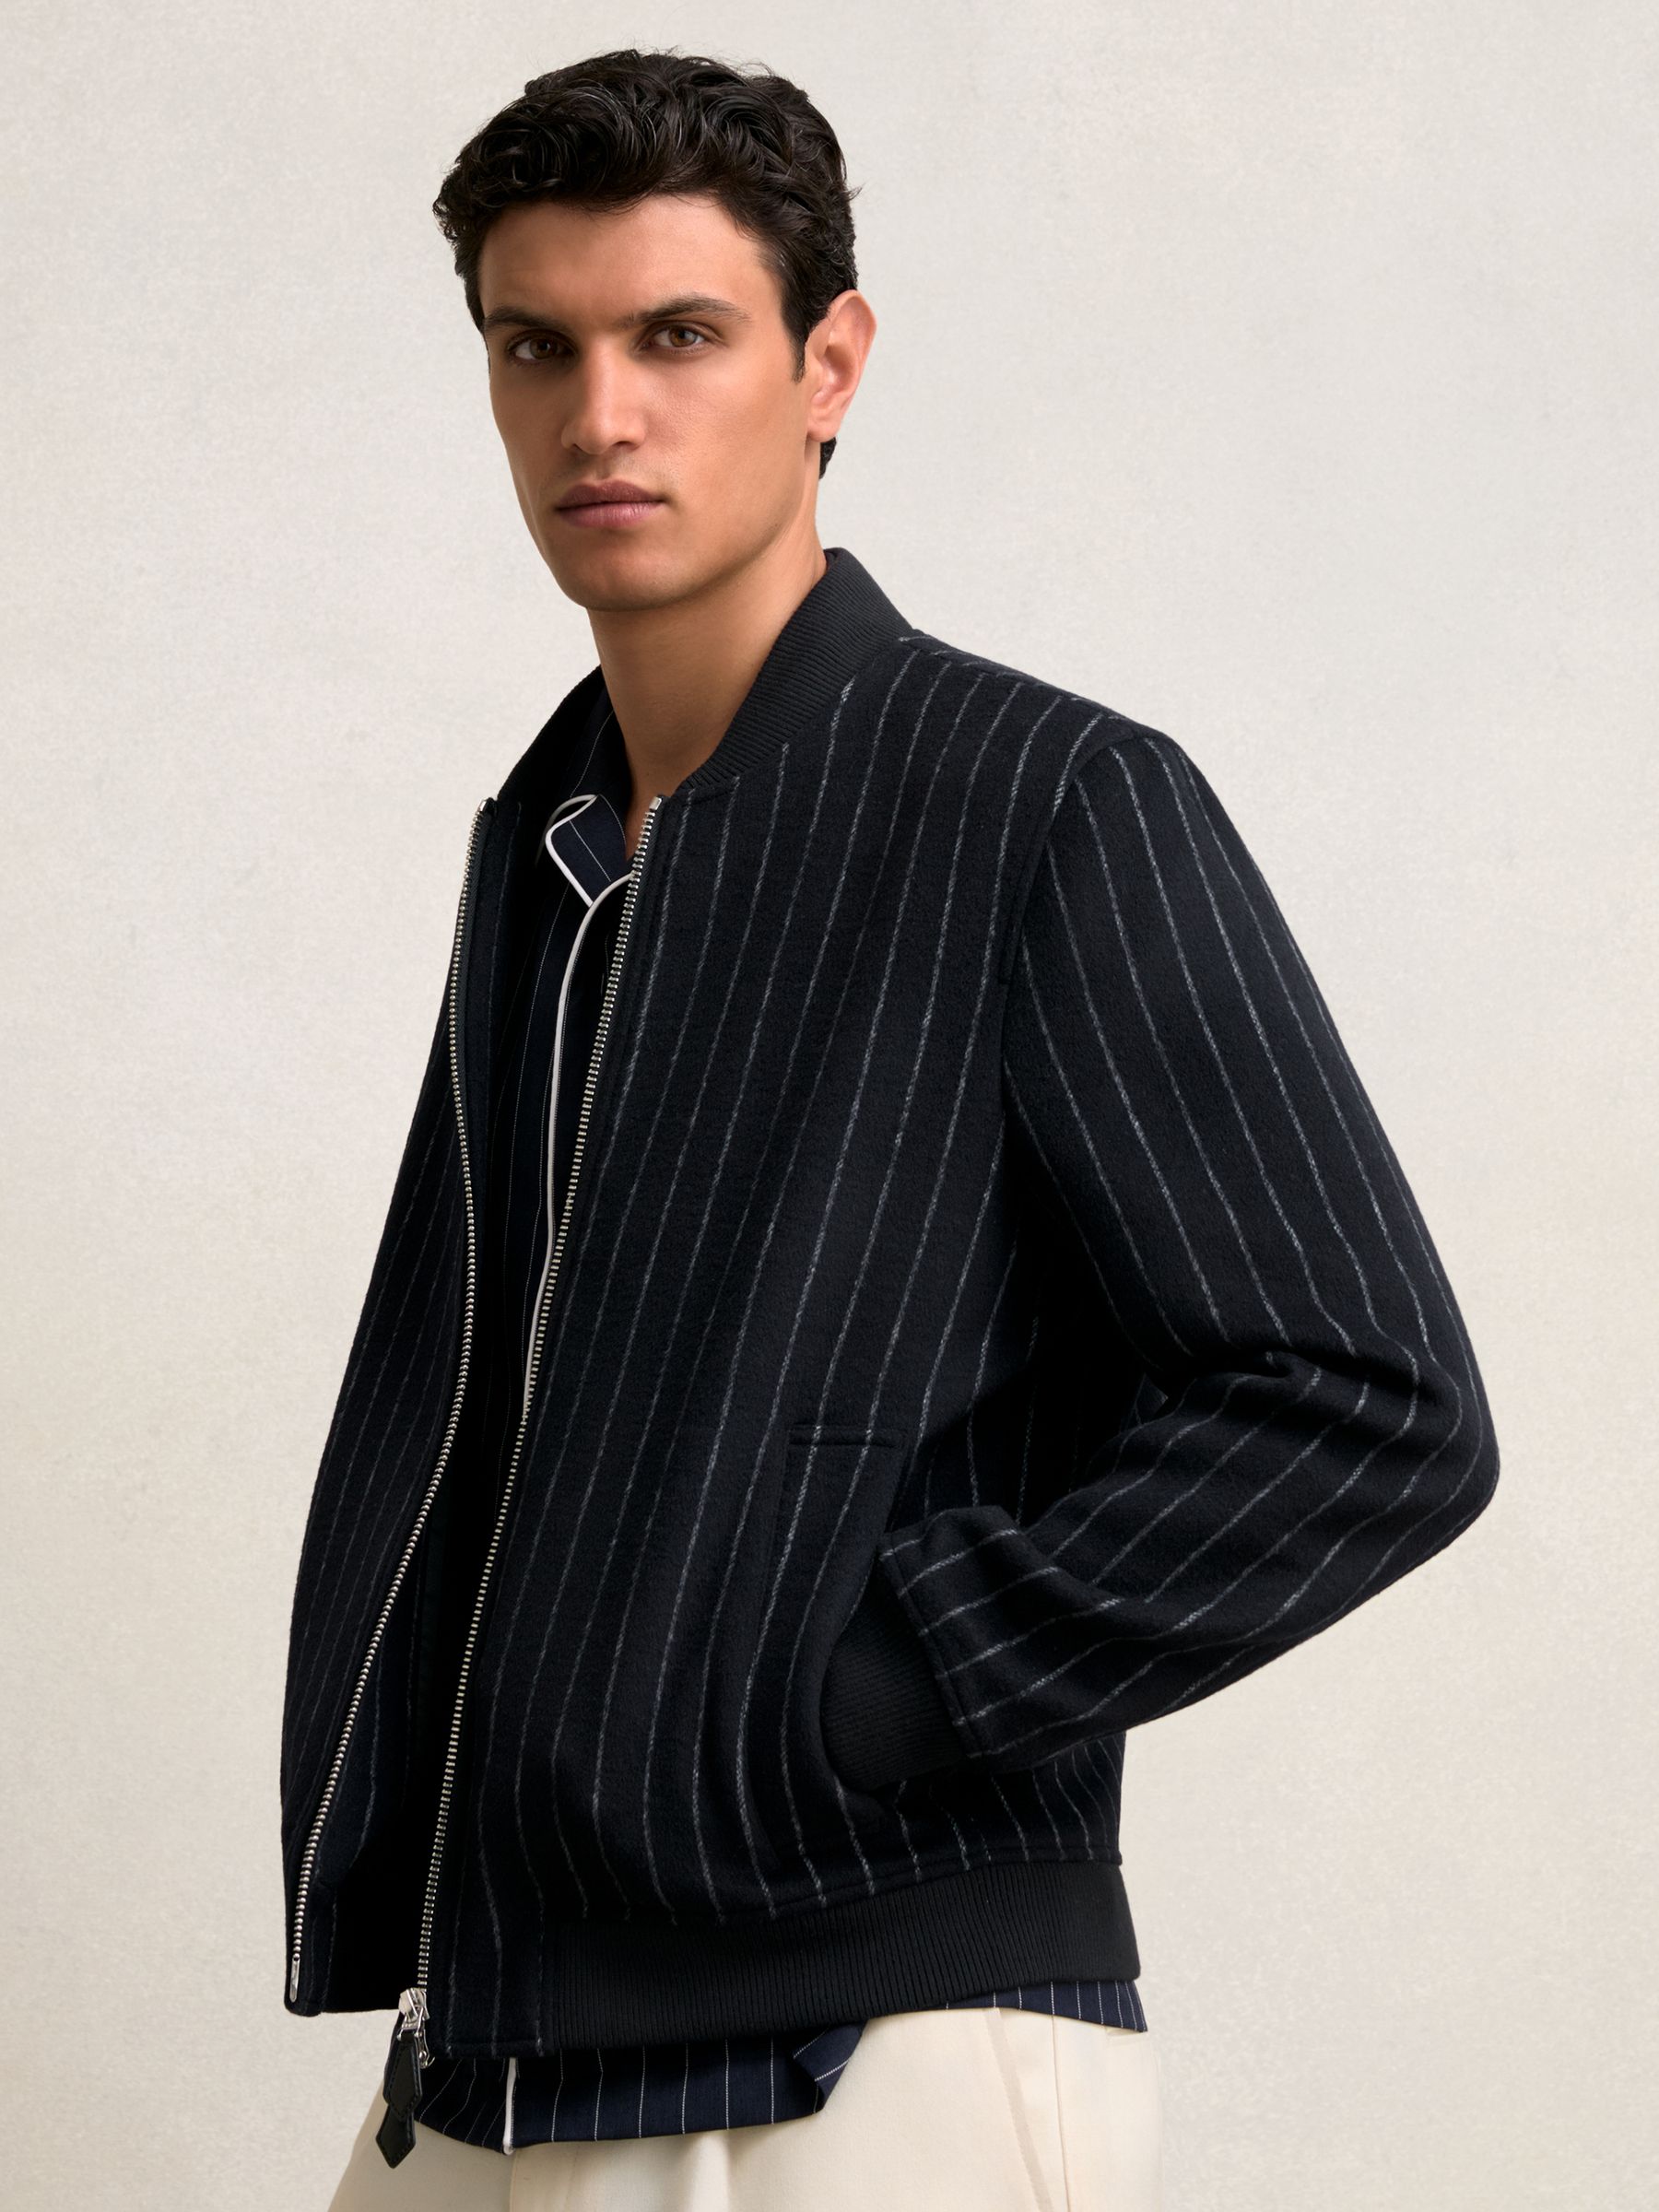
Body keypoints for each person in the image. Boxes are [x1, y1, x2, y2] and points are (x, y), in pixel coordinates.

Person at [284, 47, 1501, 2211]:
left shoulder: (1041, 805)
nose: (600, 415)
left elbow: (1366, 1400)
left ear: (827, 364)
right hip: (496, 2043)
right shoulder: (552, 857)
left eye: (678, 336)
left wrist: (870, 1685)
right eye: (536, 347)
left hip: (865, 2069)